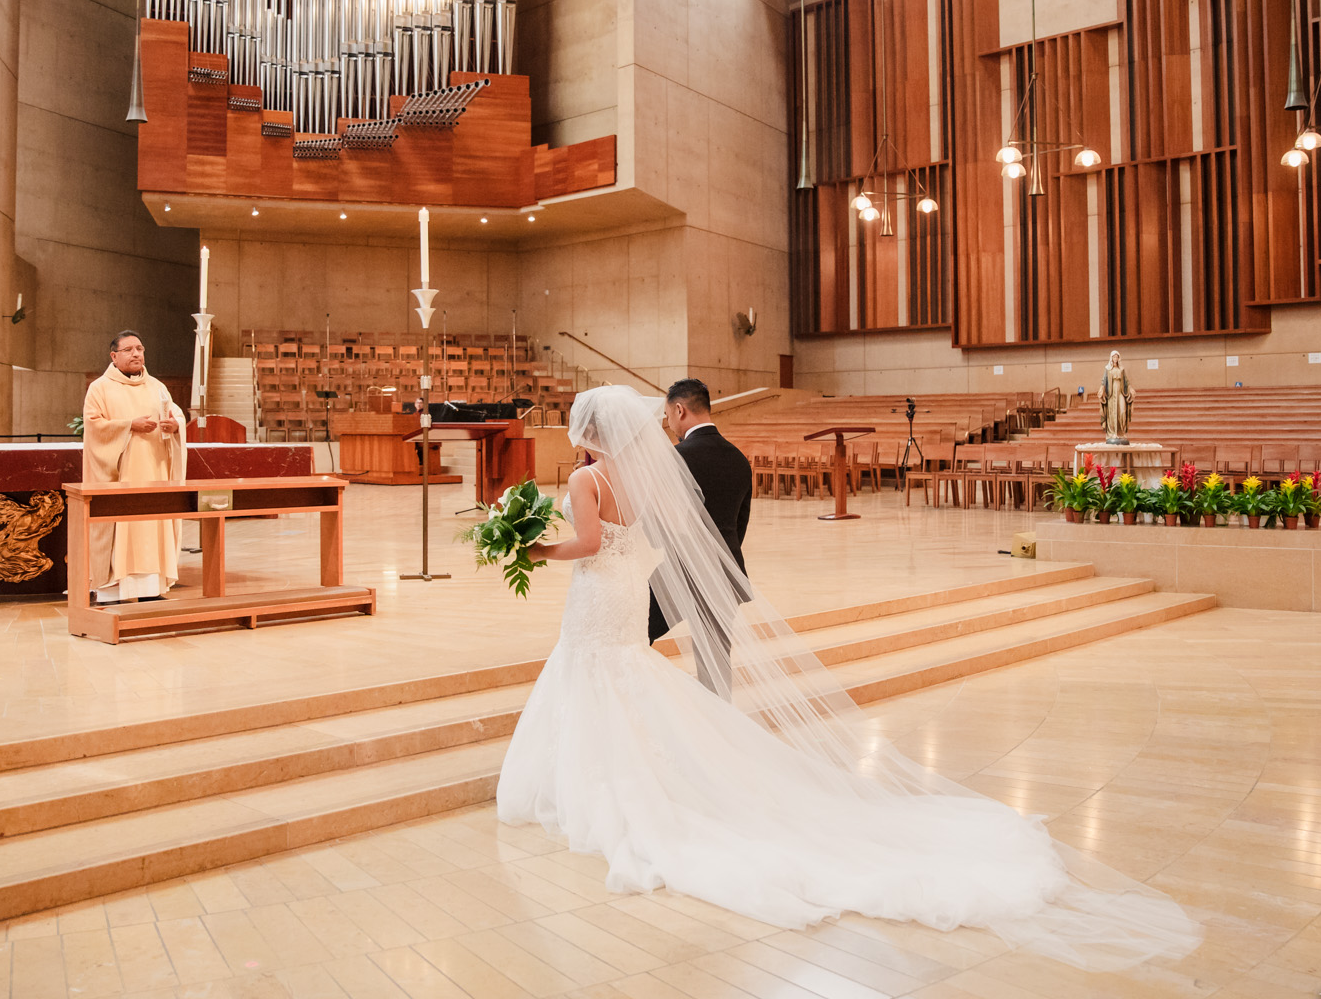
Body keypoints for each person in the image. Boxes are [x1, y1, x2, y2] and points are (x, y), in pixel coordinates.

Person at [499, 384, 1199, 966]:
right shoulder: (656, 473)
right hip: (629, 592)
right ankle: (655, 766)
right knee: (633, 682)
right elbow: (676, 532)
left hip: (599, 593)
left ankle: (602, 783)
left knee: (600, 680)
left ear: (587, 429)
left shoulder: (588, 478)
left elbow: (588, 541)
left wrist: (530, 543)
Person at [647, 379, 751, 695]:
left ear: (680, 409)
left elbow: (657, 522)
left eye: (667, 416)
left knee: (633, 635)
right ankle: (719, 728)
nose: (668, 424)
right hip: (725, 571)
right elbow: (740, 523)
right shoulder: (739, 458)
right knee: (716, 664)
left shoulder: (678, 456)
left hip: (681, 571)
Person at [81, 330, 186, 602]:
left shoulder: (157, 387)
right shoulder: (100, 388)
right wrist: (129, 426)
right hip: (121, 476)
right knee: (123, 529)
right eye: (128, 350)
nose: (136, 354)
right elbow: (94, 426)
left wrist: (175, 426)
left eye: (139, 348)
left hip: (155, 471)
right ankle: (114, 590)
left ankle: (151, 588)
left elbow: (175, 415)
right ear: (114, 356)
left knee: (151, 526)